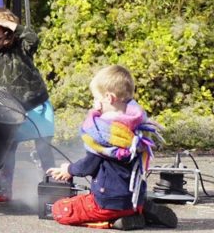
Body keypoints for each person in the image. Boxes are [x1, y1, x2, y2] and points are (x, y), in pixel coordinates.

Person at [47, 65, 177, 229]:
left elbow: (88, 165)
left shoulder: (102, 132)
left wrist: (68, 170)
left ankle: (113, 222)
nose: (94, 103)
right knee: (122, 202)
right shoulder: (138, 126)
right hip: (133, 199)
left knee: (60, 210)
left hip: (107, 202)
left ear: (108, 98)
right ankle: (138, 212)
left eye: (96, 98)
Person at [0, 6, 55, 202]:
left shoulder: (21, 49)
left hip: (36, 107)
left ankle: (52, 186)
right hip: (10, 112)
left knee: (44, 148)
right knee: (6, 151)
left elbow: (33, 38)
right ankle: (5, 189)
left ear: (8, 34)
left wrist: (11, 25)